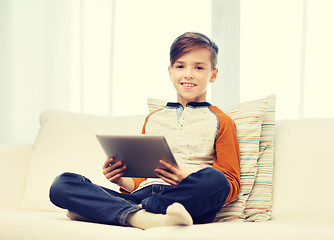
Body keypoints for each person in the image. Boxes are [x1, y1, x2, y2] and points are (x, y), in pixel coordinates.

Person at [49, 32, 240, 229]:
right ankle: (144, 216)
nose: (188, 74)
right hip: (142, 195)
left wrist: (186, 178)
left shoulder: (222, 120)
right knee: (62, 184)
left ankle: (116, 211)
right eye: (180, 66)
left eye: (199, 67)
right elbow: (141, 178)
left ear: (213, 74)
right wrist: (122, 179)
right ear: (170, 72)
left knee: (216, 180)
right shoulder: (153, 119)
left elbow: (231, 184)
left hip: (184, 199)